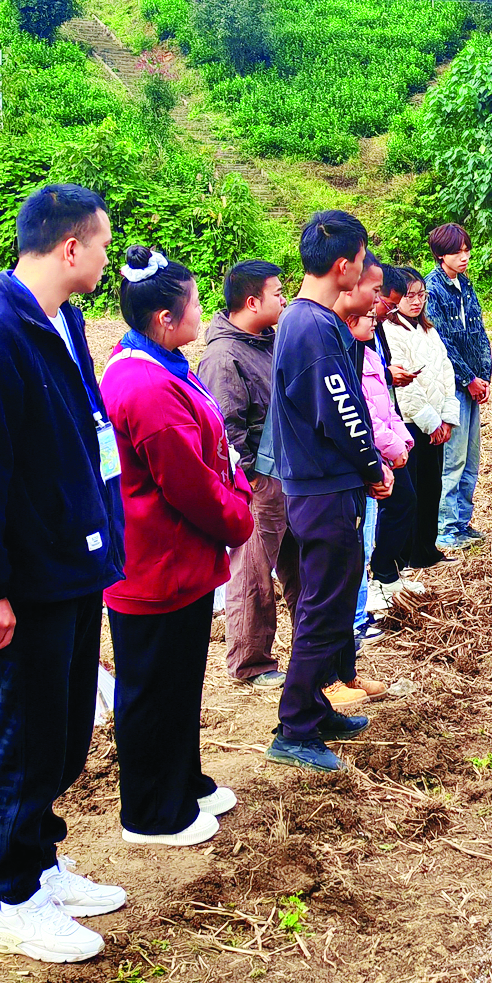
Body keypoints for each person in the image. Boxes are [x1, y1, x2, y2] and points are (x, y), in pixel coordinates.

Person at [0, 184, 127, 965]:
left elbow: (86, 433)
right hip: (26, 576)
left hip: (75, 560)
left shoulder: (65, 320)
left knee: (62, 728)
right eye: (103, 242)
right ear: (69, 246)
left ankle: (41, 861)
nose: (109, 256)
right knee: (18, 733)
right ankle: (11, 898)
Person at [100, 249, 255, 851]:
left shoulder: (160, 364)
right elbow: (187, 481)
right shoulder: (145, 384)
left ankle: (183, 781)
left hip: (177, 561)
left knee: (180, 681)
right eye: (193, 302)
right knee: (152, 690)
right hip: (155, 564)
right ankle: (150, 811)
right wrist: (238, 517)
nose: (202, 311)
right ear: (165, 318)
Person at [265, 210, 383, 773]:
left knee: (332, 603)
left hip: (324, 484)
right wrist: (371, 464)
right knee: (323, 605)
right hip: (323, 487)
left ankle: (315, 707)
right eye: (361, 260)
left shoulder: (309, 320)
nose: (363, 269)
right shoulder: (311, 327)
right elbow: (341, 412)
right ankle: (295, 727)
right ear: (343, 266)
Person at [203, 259, 292, 689]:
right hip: (258, 480)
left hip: (289, 472)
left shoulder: (269, 342)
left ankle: (315, 650)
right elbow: (226, 429)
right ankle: (250, 662)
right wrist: (250, 480)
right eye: (278, 293)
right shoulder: (224, 357)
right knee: (254, 571)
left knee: (300, 563)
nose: (285, 300)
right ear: (252, 302)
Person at [351, 263, 420, 637]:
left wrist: (401, 440)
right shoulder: (348, 353)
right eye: (379, 300)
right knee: (363, 533)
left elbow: (385, 404)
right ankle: (369, 594)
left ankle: (383, 577)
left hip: (388, 443)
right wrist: (390, 447)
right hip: (371, 451)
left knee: (402, 502)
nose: (380, 312)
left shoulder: (370, 346)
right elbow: (363, 412)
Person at [384, 271, 458, 575]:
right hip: (411, 421)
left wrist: (447, 417)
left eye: (421, 295)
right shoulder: (390, 330)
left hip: (437, 418)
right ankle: (407, 555)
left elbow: (446, 371)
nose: (416, 301)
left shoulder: (428, 330)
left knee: (432, 485)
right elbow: (406, 387)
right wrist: (431, 422)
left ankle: (427, 549)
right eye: (409, 295)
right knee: (411, 489)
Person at [427, 224, 491, 553]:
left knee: (471, 459)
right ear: (441, 255)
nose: (464, 257)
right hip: (451, 386)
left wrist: (484, 376)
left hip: (472, 385)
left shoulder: (465, 284)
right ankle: (445, 528)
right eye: (457, 252)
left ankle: (462, 522)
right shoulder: (432, 288)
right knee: (452, 459)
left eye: (466, 250)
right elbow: (442, 342)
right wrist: (468, 378)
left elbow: (479, 332)